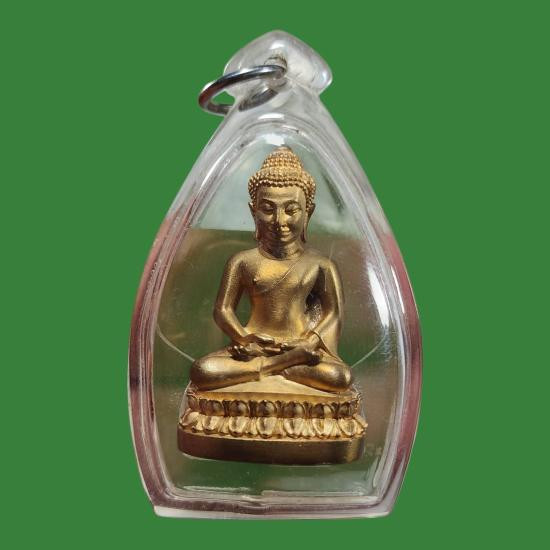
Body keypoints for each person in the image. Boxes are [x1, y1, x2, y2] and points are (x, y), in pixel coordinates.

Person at [190, 146, 352, 393]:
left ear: (308, 213)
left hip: (301, 347)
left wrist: (310, 342)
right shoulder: (242, 261)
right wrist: (244, 338)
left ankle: (270, 368)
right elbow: (222, 310)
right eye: (267, 209)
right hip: (254, 348)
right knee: (203, 370)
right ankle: (279, 366)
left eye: (291, 210)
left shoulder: (321, 265)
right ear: (252, 211)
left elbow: (333, 314)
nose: (279, 221)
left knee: (340, 376)